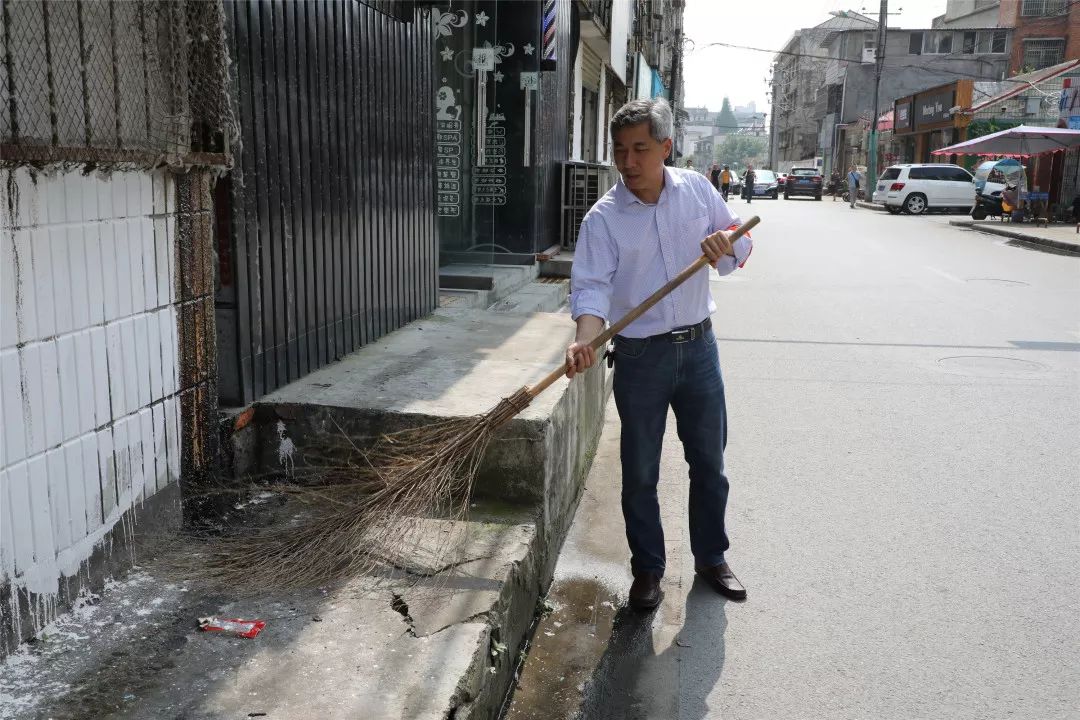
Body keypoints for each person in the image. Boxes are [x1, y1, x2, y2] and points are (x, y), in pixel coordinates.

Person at [565, 97, 753, 610]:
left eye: (640, 149)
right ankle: (648, 569)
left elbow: (739, 239)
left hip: (699, 350)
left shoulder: (696, 190)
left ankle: (711, 557)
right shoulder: (603, 219)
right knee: (640, 471)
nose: (628, 162)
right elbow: (591, 289)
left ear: (666, 147)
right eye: (620, 150)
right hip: (639, 357)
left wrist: (725, 242)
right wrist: (584, 338)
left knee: (709, 463)